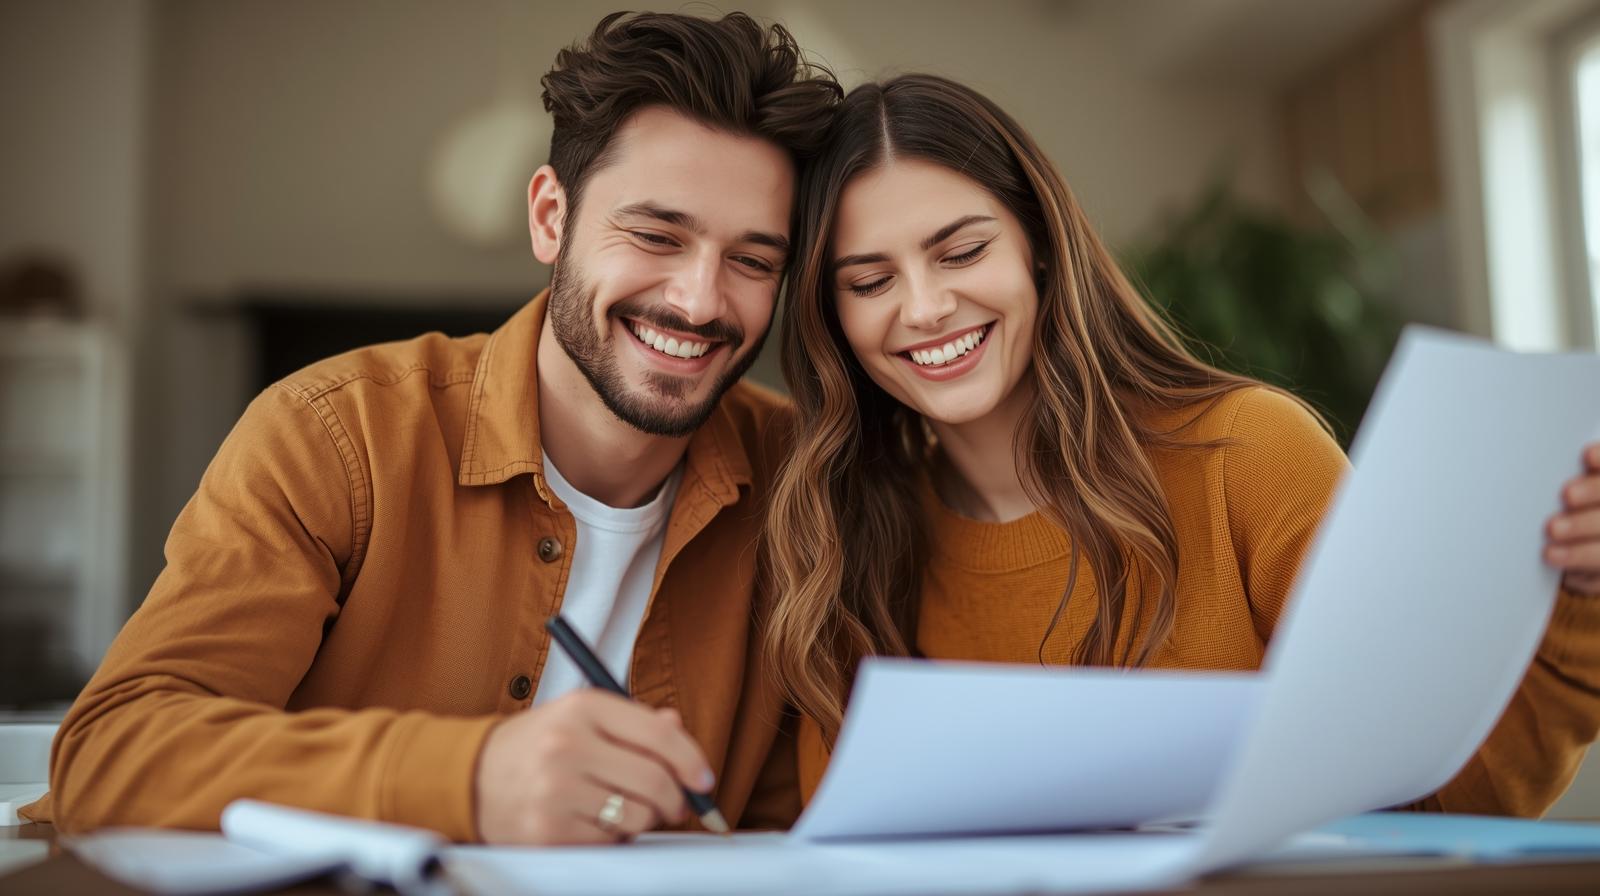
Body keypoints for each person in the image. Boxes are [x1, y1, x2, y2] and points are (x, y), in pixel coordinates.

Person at [25, 11, 840, 844]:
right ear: (550, 218)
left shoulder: (802, 481)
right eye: (656, 234)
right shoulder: (336, 434)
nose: (700, 301)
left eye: (752, 261)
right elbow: (110, 756)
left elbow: (808, 817)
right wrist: (470, 778)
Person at [764, 73, 1600, 813]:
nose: (923, 308)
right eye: (870, 282)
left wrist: (1579, 604)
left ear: (1040, 251)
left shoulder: (1247, 453)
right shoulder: (845, 542)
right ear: (831, 317)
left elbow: (1450, 792)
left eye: (963, 251)